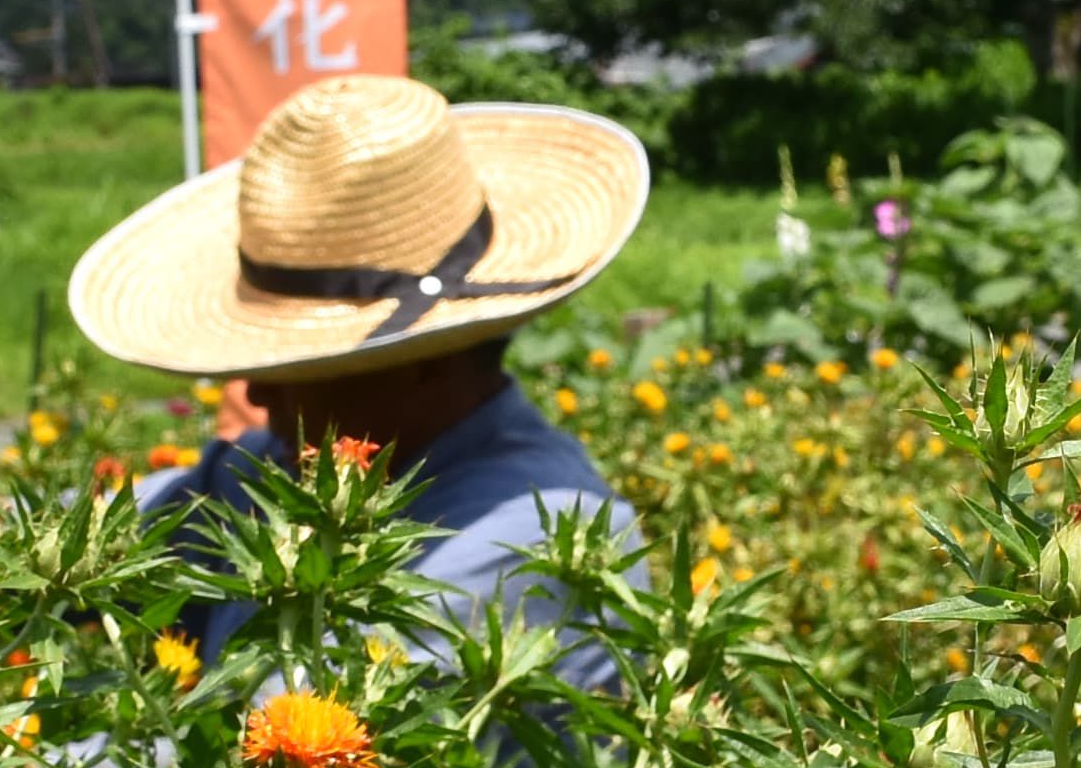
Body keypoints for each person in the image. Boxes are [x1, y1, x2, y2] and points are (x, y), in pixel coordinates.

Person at [64, 72, 649, 684]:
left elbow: (288, 752)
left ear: (424, 361)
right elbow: (76, 537)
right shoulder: (269, 476)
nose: (256, 394)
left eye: (300, 369)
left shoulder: (528, 538)